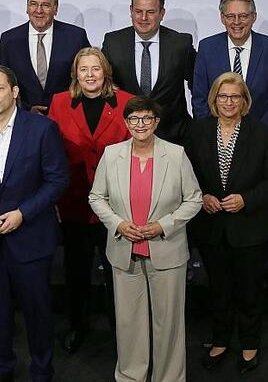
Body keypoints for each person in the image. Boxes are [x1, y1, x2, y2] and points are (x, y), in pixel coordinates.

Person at [0, 65, 69, 382]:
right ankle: (1, 369)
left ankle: (41, 371)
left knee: (38, 313)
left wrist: (23, 213)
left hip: (31, 238)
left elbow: (57, 179)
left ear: (15, 91)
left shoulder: (42, 129)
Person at [89, 96, 202, 382]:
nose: (141, 124)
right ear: (126, 123)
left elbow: (194, 199)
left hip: (167, 251)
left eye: (147, 118)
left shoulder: (176, 155)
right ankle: (131, 376)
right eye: (134, 119)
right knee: (129, 323)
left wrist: (163, 225)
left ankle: (169, 377)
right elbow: (96, 197)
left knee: (169, 324)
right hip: (124, 251)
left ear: (156, 122)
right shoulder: (111, 154)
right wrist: (118, 224)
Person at [185, 73, 268, 374]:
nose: (228, 102)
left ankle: (250, 343)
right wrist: (202, 196)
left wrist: (246, 199)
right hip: (211, 226)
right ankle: (220, 340)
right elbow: (187, 175)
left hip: (249, 227)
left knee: (250, 290)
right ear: (214, 99)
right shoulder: (198, 131)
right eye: (223, 96)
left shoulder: (262, 133)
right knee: (219, 289)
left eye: (235, 96)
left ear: (245, 100)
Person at [47, 47, 134, 353]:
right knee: (76, 272)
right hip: (74, 202)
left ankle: (123, 332)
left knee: (118, 273)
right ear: (75, 73)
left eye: (95, 68)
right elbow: (51, 151)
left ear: (105, 71)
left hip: (116, 205)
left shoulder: (126, 102)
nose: (90, 75)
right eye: (83, 69)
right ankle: (77, 327)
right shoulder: (60, 102)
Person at [101, 0, 196, 144]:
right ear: (131, 11)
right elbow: (103, 87)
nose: (143, 18)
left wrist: (200, 122)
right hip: (125, 136)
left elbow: (198, 86)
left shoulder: (180, 44)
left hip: (173, 136)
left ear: (162, 13)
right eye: (138, 11)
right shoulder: (113, 42)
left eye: (150, 12)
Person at [0, 0, 91, 114]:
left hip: (67, 116)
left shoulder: (76, 37)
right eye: (33, 4)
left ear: (55, 9)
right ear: (27, 7)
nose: (39, 10)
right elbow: (0, 82)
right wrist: (26, 109)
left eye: (45, 5)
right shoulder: (9, 40)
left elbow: (87, 79)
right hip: (23, 118)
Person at [192, 0, 268, 128]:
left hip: (264, 133)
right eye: (230, 16)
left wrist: (260, 132)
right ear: (222, 18)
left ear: (253, 17)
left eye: (243, 16)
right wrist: (213, 131)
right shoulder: (207, 48)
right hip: (216, 134)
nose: (236, 22)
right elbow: (199, 97)